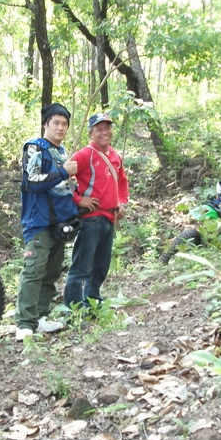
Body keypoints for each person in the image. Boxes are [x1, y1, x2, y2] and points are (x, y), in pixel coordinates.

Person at [14, 103, 80, 341]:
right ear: (45, 124)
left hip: (60, 224)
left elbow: (64, 188)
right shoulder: (35, 148)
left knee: (51, 272)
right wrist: (63, 172)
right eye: (56, 123)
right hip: (39, 222)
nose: (60, 128)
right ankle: (24, 323)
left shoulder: (62, 152)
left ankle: (41, 317)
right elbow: (32, 182)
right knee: (33, 272)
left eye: (64, 124)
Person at [63, 112, 129, 308]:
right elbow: (62, 179)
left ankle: (92, 302)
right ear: (91, 133)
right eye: (99, 129)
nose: (104, 132)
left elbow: (122, 182)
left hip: (109, 218)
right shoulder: (85, 155)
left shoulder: (115, 156)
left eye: (107, 128)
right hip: (90, 219)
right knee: (81, 266)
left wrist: (122, 202)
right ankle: (74, 309)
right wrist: (78, 199)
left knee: (101, 266)